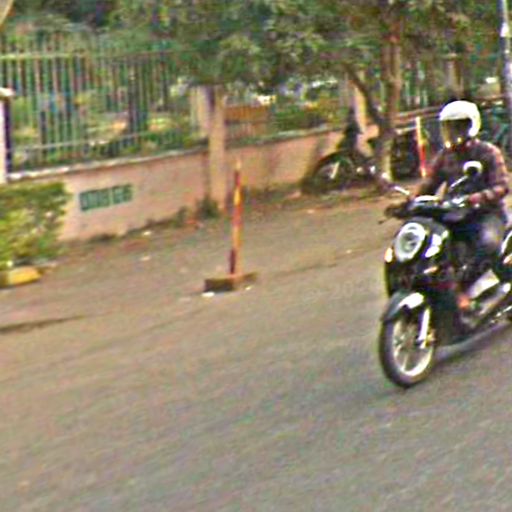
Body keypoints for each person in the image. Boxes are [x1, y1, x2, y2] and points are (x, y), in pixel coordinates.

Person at [415, 100, 510, 310]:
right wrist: (411, 202)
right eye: (449, 127)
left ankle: (464, 291)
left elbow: (502, 187)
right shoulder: (445, 155)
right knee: (432, 244)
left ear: (471, 125)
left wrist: (478, 198)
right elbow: (429, 183)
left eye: (459, 126)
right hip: (455, 213)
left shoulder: (488, 152)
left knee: (487, 244)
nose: (453, 132)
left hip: (487, 214)